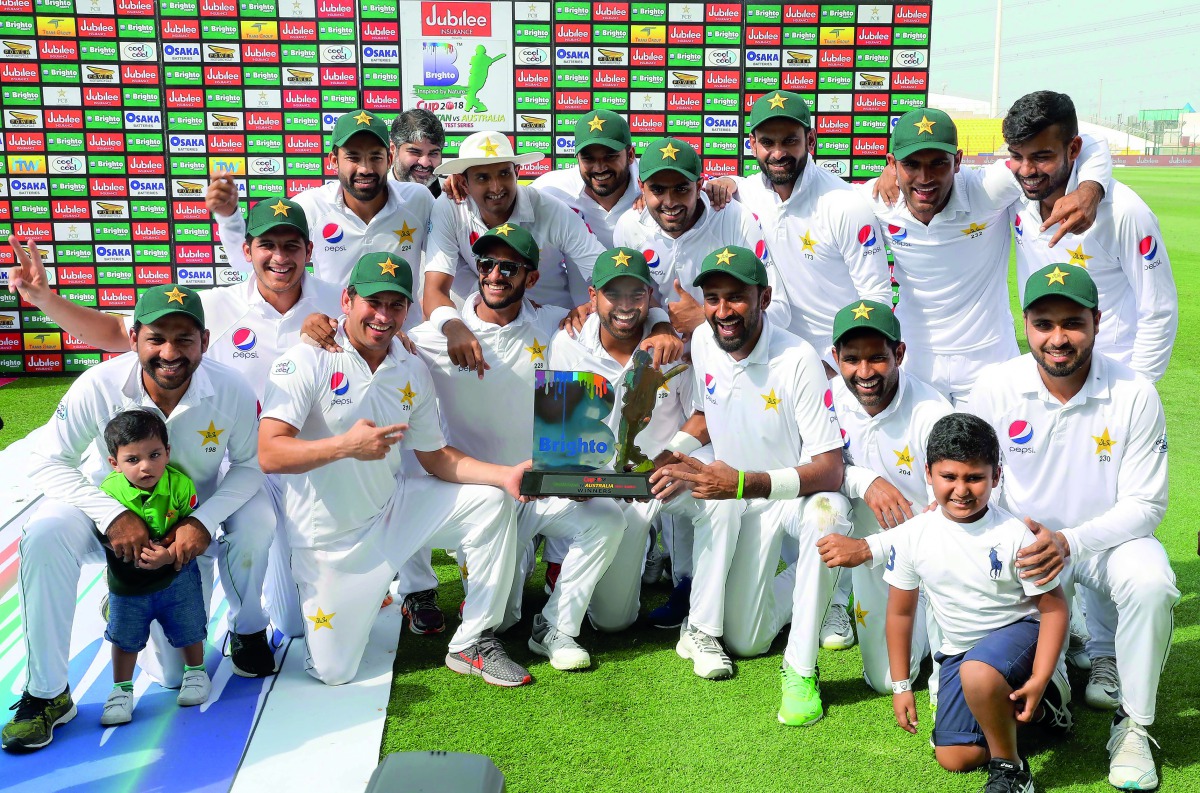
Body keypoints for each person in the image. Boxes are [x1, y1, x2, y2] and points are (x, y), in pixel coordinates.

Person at [7, 196, 353, 640]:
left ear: (309, 248)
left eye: (292, 246)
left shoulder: (337, 301)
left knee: (297, 627)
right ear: (246, 250)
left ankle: (247, 618)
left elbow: (382, 329)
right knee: (182, 653)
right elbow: (120, 333)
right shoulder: (216, 305)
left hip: (306, 464)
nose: (280, 257)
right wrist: (45, 300)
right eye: (268, 244)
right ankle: (155, 595)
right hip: (242, 466)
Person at [2, 285, 268, 752]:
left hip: (184, 531)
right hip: (109, 523)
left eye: (184, 339)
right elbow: (48, 461)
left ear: (204, 341)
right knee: (44, 533)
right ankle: (47, 693)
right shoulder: (99, 384)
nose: (170, 353)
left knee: (171, 675)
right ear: (133, 340)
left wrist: (201, 522)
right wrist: (112, 514)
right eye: (156, 338)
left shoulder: (231, 388)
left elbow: (248, 466)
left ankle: (247, 629)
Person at [258, 252, 531, 687]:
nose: (384, 316)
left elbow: (434, 457)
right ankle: (359, 599)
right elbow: (269, 453)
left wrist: (504, 474)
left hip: (392, 511)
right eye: (374, 302)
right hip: (330, 543)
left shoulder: (411, 364)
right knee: (334, 672)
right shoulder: (306, 359)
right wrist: (345, 446)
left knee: (491, 499)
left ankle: (472, 641)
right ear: (347, 299)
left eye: (396, 305)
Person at [968, 264, 1177, 790]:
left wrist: (1071, 542)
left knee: (1152, 582)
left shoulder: (1134, 392)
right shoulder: (995, 385)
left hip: (1105, 542)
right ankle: (1066, 660)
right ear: (1026, 324)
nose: (1058, 338)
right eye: (1044, 323)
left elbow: (1147, 505)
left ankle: (1133, 725)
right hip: (1028, 548)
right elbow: (976, 482)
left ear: (1097, 322)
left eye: (1072, 323)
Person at [405, 225, 629, 670]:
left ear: (531, 277)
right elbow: (372, 338)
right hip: (480, 499)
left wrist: (661, 323)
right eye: (486, 264)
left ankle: (555, 626)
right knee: (504, 619)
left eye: (511, 267)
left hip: (537, 489)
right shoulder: (434, 335)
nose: (495, 275)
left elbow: (621, 321)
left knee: (606, 517)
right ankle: (456, 601)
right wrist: (325, 326)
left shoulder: (555, 324)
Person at [648, 247, 852, 727]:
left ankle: (802, 666)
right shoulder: (703, 340)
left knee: (832, 511)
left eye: (736, 298)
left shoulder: (798, 357)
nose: (723, 311)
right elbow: (706, 412)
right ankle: (813, 589)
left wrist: (742, 481)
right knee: (747, 640)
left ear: (764, 296)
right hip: (737, 497)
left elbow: (829, 468)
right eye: (713, 298)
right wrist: (674, 449)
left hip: (792, 495)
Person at [863, 106, 1110, 405]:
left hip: (990, 361)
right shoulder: (875, 200)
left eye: (939, 163)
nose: (925, 178)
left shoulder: (987, 187)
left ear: (957, 161)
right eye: (911, 164)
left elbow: (1091, 142)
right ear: (892, 163)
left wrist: (1091, 189)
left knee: (997, 452)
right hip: (916, 360)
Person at [883, 413, 1070, 791]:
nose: (961, 490)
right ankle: (1039, 714)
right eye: (948, 477)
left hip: (1021, 637)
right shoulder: (912, 536)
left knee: (979, 671)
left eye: (974, 478)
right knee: (955, 757)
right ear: (928, 473)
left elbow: (1055, 608)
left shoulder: (1015, 534)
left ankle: (1012, 770)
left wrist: (1039, 677)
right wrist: (901, 685)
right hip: (959, 653)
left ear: (995, 476)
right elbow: (900, 612)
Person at [547, 248, 723, 632]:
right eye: (614, 294)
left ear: (650, 297)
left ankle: (694, 586)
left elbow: (703, 415)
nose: (626, 305)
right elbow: (564, 439)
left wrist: (673, 455)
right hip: (612, 490)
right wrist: (579, 482)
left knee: (719, 495)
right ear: (592, 297)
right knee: (613, 622)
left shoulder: (677, 343)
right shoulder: (567, 344)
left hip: (668, 473)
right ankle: (642, 551)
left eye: (636, 294)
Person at [813, 299, 952, 694]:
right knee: (886, 680)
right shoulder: (828, 398)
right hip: (870, 558)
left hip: (927, 559)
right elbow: (807, 468)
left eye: (877, 358)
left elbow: (947, 517)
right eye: (851, 359)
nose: (864, 372)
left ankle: (943, 630)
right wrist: (863, 480)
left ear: (900, 354)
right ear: (836, 357)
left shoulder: (932, 413)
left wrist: (867, 548)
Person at [1005, 90, 1177, 382]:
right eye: (1016, 156)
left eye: (1041, 157)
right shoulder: (1013, 193)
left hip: (1112, 376)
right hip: (1043, 375)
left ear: (1073, 149)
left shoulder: (1126, 212)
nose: (1026, 170)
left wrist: (1139, 389)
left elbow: (1159, 309)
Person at [211, 108, 433, 322]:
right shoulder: (311, 206)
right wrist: (229, 217)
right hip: (334, 343)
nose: (365, 168)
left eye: (375, 157)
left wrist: (458, 184)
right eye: (353, 157)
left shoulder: (418, 200)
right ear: (334, 161)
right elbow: (245, 262)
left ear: (390, 157)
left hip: (403, 343)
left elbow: (454, 246)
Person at [423, 130, 605, 376]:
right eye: (483, 177)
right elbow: (434, 288)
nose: (496, 186)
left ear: (517, 173)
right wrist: (452, 325)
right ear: (463, 183)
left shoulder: (548, 208)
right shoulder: (449, 208)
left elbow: (604, 271)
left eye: (504, 173)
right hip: (486, 324)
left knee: (553, 408)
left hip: (552, 328)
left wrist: (592, 304)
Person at [729, 90, 891, 361]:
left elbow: (876, 298)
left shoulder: (844, 203)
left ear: (811, 140)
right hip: (769, 355)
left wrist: (837, 365)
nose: (778, 153)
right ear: (753, 145)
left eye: (790, 140)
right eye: (768, 142)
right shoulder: (742, 193)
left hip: (835, 357)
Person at [613, 137, 792, 338]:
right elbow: (631, 300)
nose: (670, 202)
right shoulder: (628, 227)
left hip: (726, 357)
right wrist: (659, 322)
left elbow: (779, 310)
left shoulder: (734, 219)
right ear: (641, 186)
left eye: (681, 189)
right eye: (658, 189)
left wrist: (707, 322)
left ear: (699, 186)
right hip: (662, 357)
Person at [97, 410, 210, 726]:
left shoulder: (180, 484)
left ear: (168, 452)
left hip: (178, 577)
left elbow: (189, 523)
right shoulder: (108, 492)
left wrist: (169, 552)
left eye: (154, 454)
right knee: (124, 637)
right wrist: (139, 553)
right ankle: (121, 690)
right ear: (114, 464)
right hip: (129, 585)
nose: (146, 466)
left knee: (190, 625)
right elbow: (104, 533)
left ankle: (196, 673)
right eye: (132, 460)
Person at [531, 111, 736, 250]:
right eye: (588, 158)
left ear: (630, 155)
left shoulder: (655, 181)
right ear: (576, 158)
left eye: (610, 156)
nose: (600, 168)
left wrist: (728, 182)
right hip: (576, 311)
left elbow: (712, 184)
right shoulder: (551, 188)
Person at [390, 107, 444, 196]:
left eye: (433, 154)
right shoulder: (374, 197)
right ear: (393, 150)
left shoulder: (455, 197)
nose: (425, 163)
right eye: (415, 152)